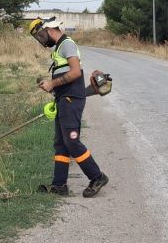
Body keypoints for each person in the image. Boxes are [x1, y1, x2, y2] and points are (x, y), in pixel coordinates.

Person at [28, 17, 109, 197]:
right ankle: (59, 185)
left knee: (72, 141)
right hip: (64, 100)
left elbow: (75, 72)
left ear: (49, 30)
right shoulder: (59, 48)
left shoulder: (67, 44)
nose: (41, 40)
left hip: (72, 101)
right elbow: (65, 77)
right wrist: (51, 87)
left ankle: (97, 177)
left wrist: (52, 83)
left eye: (40, 35)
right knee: (61, 144)